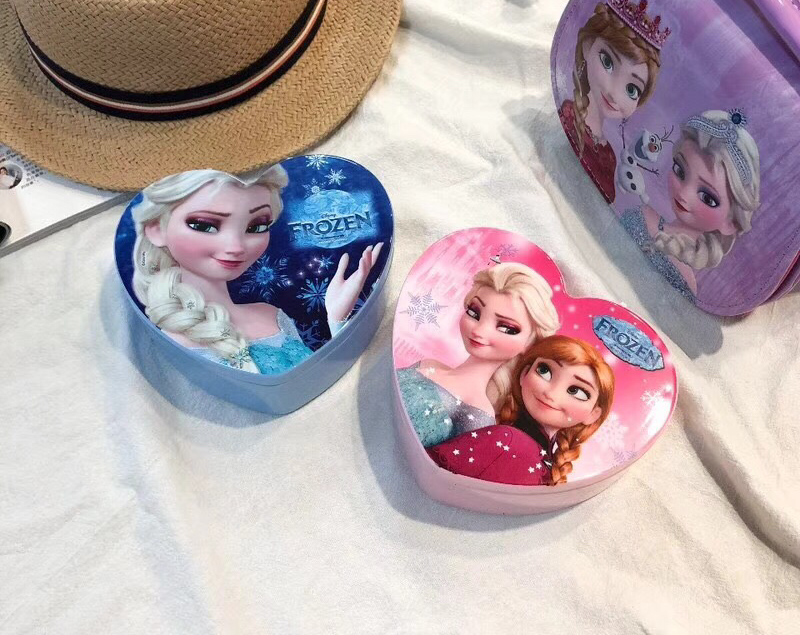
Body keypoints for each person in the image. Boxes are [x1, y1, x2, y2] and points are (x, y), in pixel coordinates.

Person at [132, 166, 383, 374]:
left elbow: (314, 377)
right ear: (156, 229)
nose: (236, 246)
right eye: (205, 225)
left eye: (256, 227)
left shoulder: (271, 314)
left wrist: (336, 319)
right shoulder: (174, 338)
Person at [397, 263, 560, 448]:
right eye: (474, 313)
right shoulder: (427, 364)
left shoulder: (477, 415)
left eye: (506, 328)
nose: (479, 330)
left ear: (529, 344)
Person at [426, 335, 615, 486]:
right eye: (544, 371)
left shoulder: (539, 455)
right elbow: (430, 467)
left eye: (576, 391)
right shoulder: (507, 439)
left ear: (594, 414)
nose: (551, 393)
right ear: (524, 374)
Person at [620, 109, 760, 299]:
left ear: (731, 223)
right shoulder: (643, 216)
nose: (684, 194)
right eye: (680, 171)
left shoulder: (687, 280)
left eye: (708, 198)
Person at [559, 0, 667, 203]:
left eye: (631, 90)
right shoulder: (568, 116)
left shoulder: (609, 153)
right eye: (607, 62)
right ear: (588, 46)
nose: (614, 92)